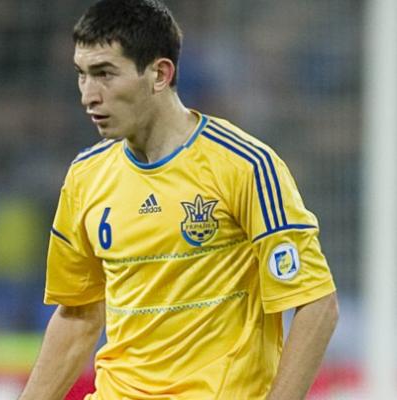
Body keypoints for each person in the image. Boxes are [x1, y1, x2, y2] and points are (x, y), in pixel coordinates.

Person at [20, 1, 339, 399]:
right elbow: (78, 314)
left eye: (104, 74)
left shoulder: (244, 165)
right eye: (81, 75)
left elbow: (317, 305)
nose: (88, 95)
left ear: (160, 73)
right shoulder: (86, 176)